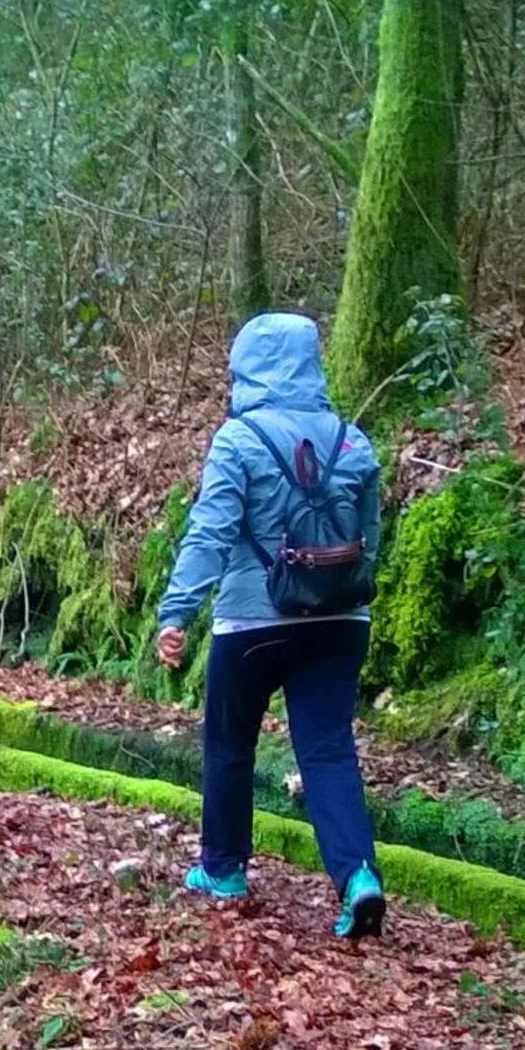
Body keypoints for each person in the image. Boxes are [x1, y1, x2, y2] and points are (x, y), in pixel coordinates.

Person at [155, 312, 385, 939]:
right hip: (341, 620)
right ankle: (359, 877)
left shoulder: (239, 440)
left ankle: (224, 869)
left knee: (230, 746)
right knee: (329, 751)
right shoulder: (352, 441)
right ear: (313, 363)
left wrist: (177, 612)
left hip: (252, 622)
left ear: (246, 368)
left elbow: (210, 533)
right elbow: (372, 537)